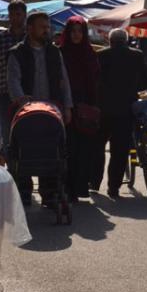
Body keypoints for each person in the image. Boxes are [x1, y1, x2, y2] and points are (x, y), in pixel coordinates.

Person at [7, 11, 74, 204]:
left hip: (52, 112)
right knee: (24, 151)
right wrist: (20, 99)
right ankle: (25, 191)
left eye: (48, 27)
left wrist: (68, 106)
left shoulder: (54, 52)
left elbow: (64, 80)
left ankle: (49, 192)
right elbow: (13, 81)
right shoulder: (17, 52)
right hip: (26, 113)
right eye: (42, 27)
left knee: (51, 150)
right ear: (30, 29)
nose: (47, 30)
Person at [97, 29, 147, 198]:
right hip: (126, 109)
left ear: (110, 41)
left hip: (104, 108)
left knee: (98, 146)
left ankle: (94, 182)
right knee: (120, 150)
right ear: (126, 41)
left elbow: (95, 80)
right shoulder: (136, 55)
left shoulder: (101, 55)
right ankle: (113, 187)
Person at [59, 16, 100, 200]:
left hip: (86, 106)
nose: (76, 35)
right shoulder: (60, 53)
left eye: (80, 31)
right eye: (73, 31)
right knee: (69, 147)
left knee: (84, 148)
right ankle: (66, 188)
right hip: (65, 104)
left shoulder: (90, 53)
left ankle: (80, 187)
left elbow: (96, 81)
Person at [0, 0, 27, 145]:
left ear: (24, 15)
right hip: (5, 91)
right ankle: (10, 165)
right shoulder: (0, 39)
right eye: (12, 14)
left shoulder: (30, 38)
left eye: (18, 14)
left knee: (26, 130)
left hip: (28, 91)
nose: (14, 18)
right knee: (7, 133)